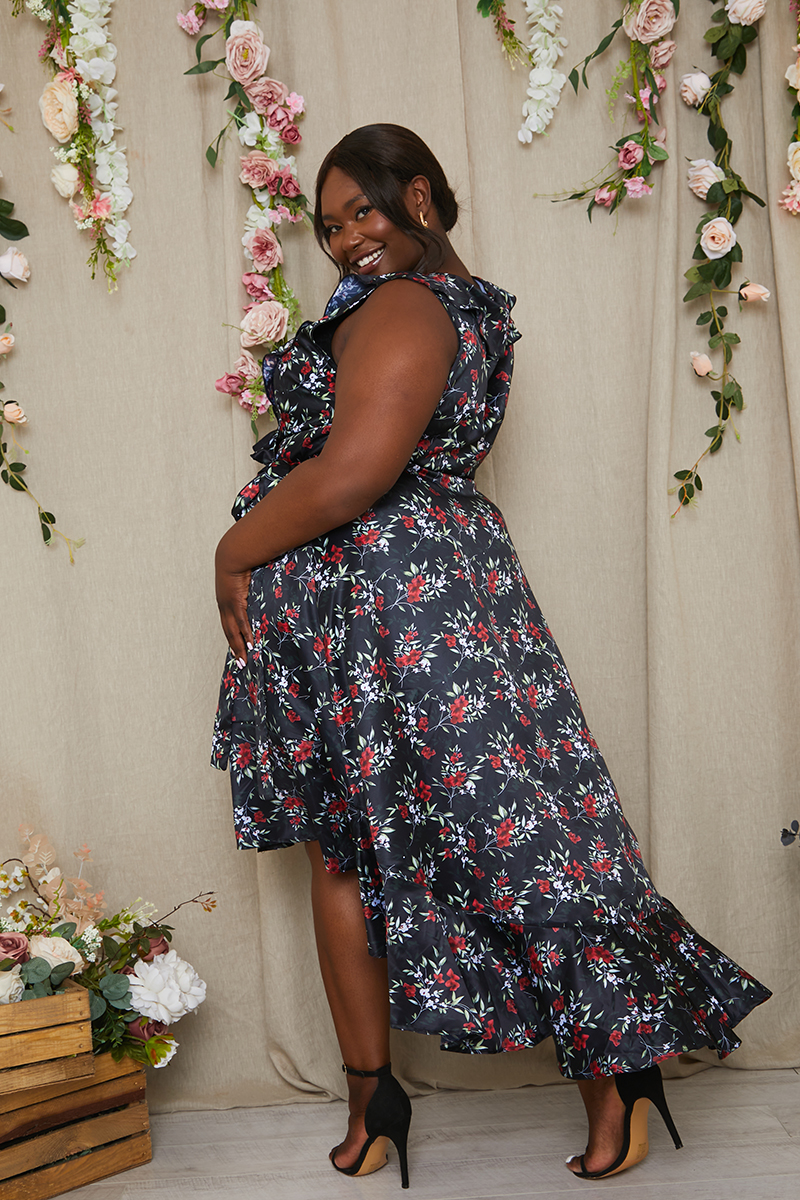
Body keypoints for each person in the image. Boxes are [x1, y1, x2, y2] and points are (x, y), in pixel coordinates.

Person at [212, 124, 770, 1188]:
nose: (345, 241)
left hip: (404, 601)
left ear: (417, 195)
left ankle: (615, 1073)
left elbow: (355, 471)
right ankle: (374, 1098)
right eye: (328, 226)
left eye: (363, 212)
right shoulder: (436, 305)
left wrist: (229, 554)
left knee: (512, 836)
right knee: (346, 847)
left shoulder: (409, 306)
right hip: (365, 607)